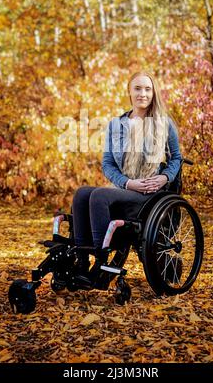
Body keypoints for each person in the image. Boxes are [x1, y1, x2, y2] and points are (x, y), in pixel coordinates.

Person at [71, 71, 182, 283]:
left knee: (99, 196)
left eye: (147, 89)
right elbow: (108, 164)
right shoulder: (116, 125)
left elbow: (176, 158)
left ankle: (101, 258)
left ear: (153, 93)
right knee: (82, 194)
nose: (143, 93)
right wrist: (128, 183)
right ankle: (81, 258)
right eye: (138, 88)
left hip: (150, 193)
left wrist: (165, 178)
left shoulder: (164, 124)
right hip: (126, 187)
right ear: (129, 92)